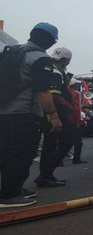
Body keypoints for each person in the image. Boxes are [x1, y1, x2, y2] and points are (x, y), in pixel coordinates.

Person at [0, 23, 61, 207]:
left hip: (3, 111)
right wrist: (53, 115)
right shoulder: (41, 58)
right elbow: (42, 90)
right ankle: (9, 195)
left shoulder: (11, 51)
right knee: (22, 153)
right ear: (50, 41)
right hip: (25, 112)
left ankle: (12, 188)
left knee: (5, 152)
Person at [34, 47, 74, 187]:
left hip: (46, 111)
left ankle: (46, 175)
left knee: (49, 144)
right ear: (65, 60)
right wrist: (68, 107)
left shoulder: (51, 68)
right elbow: (54, 94)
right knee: (67, 141)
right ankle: (46, 173)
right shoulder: (56, 72)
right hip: (55, 112)